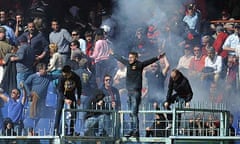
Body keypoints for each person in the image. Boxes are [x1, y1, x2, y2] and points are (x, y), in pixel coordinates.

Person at [110, 50, 164, 137]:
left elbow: (148, 61)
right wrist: (113, 54)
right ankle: (132, 130)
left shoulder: (139, 65)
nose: (130, 59)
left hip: (136, 92)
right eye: (129, 57)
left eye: (131, 57)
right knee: (131, 113)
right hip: (129, 92)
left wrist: (157, 57)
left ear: (136, 58)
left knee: (134, 112)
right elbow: (120, 59)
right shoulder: (127, 63)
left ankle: (136, 131)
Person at [54, 65, 82, 136]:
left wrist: (78, 98)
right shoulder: (61, 77)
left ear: (70, 73)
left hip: (71, 94)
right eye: (64, 74)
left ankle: (72, 131)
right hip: (62, 94)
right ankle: (56, 130)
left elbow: (79, 88)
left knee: (74, 112)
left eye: (66, 75)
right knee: (59, 111)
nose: (65, 76)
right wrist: (65, 99)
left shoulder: (76, 77)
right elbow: (59, 90)